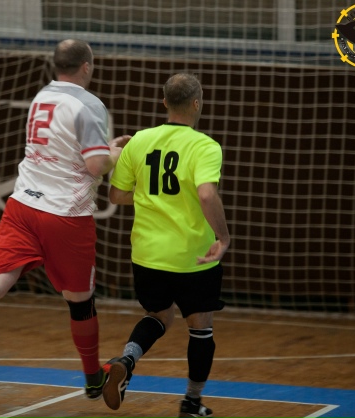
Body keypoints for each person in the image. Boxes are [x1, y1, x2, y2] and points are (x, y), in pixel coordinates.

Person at [0, 39, 131, 400]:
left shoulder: (41, 97)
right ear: (86, 66)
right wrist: (115, 150)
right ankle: (92, 379)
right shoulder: (89, 104)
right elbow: (96, 165)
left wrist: (102, 150)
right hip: (65, 214)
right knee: (80, 302)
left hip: (22, 205)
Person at [102, 73, 231, 417]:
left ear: (164, 103)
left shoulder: (139, 141)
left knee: (158, 316)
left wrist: (149, 195)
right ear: (197, 103)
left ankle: (127, 360)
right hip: (193, 257)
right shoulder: (205, 146)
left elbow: (115, 195)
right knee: (200, 328)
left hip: (147, 255)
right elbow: (207, 194)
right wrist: (223, 238)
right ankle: (192, 402)